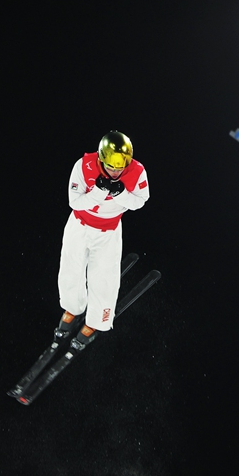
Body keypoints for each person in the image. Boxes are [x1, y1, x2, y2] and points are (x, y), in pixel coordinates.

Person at [57, 130, 150, 342]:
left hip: (108, 233)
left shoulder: (137, 171)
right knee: (71, 270)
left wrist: (121, 193)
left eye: (120, 168)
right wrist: (99, 192)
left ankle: (96, 320)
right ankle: (73, 308)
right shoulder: (83, 165)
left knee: (104, 279)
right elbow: (75, 202)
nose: (115, 172)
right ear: (101, 159)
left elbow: (140, 201)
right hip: (79, 227)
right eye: (110, 167)